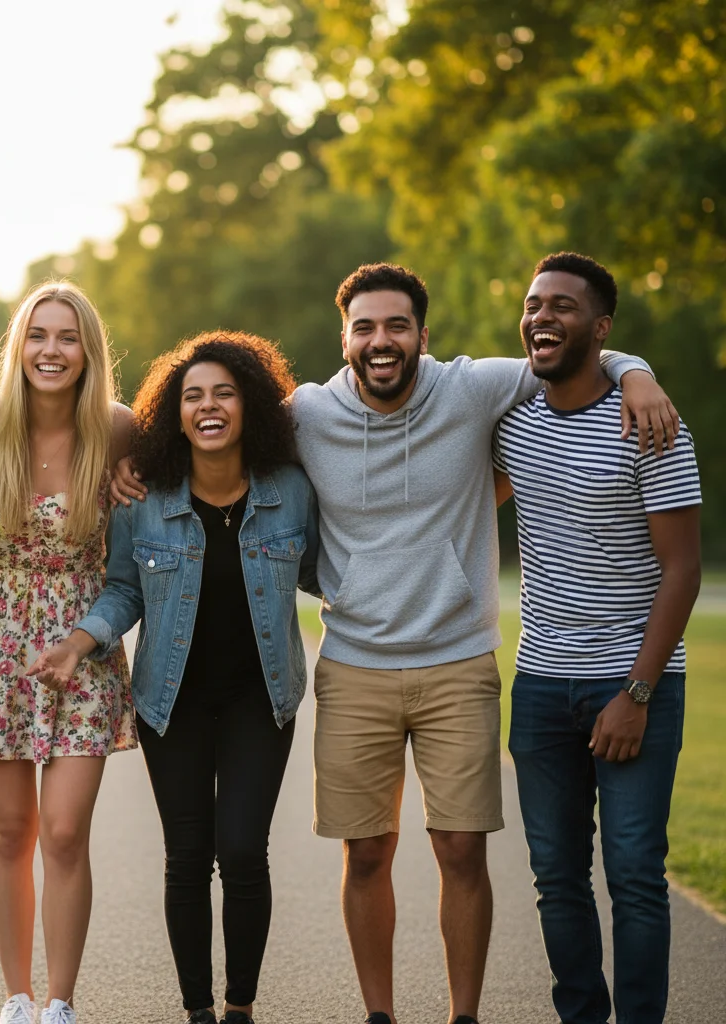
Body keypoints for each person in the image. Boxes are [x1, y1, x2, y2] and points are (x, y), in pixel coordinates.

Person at [110, 262, 678, 1024]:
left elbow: (565, 349)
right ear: (344, 338)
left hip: (458, 664)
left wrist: (635, 371)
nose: (382, 341)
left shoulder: (473, 389)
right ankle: (379, 1015)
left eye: (397, 326)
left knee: (460, 852)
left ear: (423, 335)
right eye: (365, 327)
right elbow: (216, 425)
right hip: (355, 667)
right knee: (366, 854)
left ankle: (463, 1015)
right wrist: (136, 466)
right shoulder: (307, 413)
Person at [33, 332, 319, 1024]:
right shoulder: (146, 499)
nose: (209, 406)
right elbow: (123, 590)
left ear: (249, 405)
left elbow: (326, 571)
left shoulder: (291, 491)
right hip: (172, 701)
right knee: (188, 857)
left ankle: (239, 1007)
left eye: (224, 393)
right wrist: (80, 640)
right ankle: (197, 1011)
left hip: (262, 698)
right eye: (193, 396)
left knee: (244, 851)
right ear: (177, 413)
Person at [493, 253, 701, 1024]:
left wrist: (637, 694)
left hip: (634, 681)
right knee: (555, 874)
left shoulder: (650, 424)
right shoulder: (511, 418)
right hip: (542, 683)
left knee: (637, 873)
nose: (542, 317)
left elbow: (682, 570)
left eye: (564, 307)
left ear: (601, 328)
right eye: (533, 304)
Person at [0, 281, 137, 1024]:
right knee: (10, 831)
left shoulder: (118, 429)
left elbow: (188, 479)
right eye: (39, 335)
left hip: (82, 643)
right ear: (18, 346)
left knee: (63, 829)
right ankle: (17, 996)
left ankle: (61, 1002)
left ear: (89, 352)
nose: (52, 351)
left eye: (68, 337)